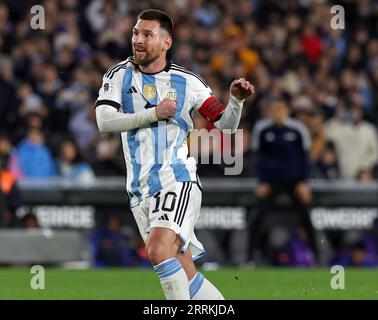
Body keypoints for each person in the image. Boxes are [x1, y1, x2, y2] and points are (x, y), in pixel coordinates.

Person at [95, 9, 254, 300]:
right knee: (184, 269)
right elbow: (104, 121)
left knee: (157, 250)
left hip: (175, 178)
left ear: (166, 42)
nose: (138, 40)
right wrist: (154, 113)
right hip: (138, 189)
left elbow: (226, 125)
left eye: (147, 34)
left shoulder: (187, 82)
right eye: (135, 33)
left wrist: (236, 102)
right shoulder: (119, 74)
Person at [248, 99, 318, 264]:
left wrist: (304, 182)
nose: (277, 112)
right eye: (274, 109)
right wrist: (260, 181)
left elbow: (305, 158)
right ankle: (250, 258)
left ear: (287, 110)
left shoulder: (298, 129)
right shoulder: (263, 129)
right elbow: (257, 158)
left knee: (307, 218)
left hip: (294, 183)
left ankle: (317, 256)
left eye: (280, 108)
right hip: (270, 182)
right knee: (257, 218)